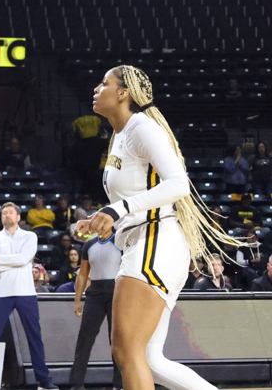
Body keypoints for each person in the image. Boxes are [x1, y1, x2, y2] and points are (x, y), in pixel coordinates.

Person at [81, 65, 241, 390]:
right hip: (144, 241)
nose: (96, 89)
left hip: (156, 242)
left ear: (123, 92)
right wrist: (107, 219)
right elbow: (136, 194)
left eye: (104, 83)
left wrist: (119, 209)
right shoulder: (120, 134)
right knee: (149, 360)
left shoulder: (142, 126)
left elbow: (179, 184)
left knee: (126, 350)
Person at [0, 202, 57, 390]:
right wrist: (15, 261)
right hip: (1, 293)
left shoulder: (30, 236)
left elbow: (24, 258)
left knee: (34, 337)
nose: (7, 215)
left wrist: (2, 259)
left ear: (18, 217)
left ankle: (44, 380)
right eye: (4, 213)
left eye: (11, 212)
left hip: (25, 292)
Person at [69, 232, 122, 390]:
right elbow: (84, 273)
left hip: (117, 290)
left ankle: (119, 384)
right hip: (95, 292)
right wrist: (78, 299)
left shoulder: (120, 241)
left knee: (117, 339)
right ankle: (76, 383)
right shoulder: (89, 244)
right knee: (85, 338)